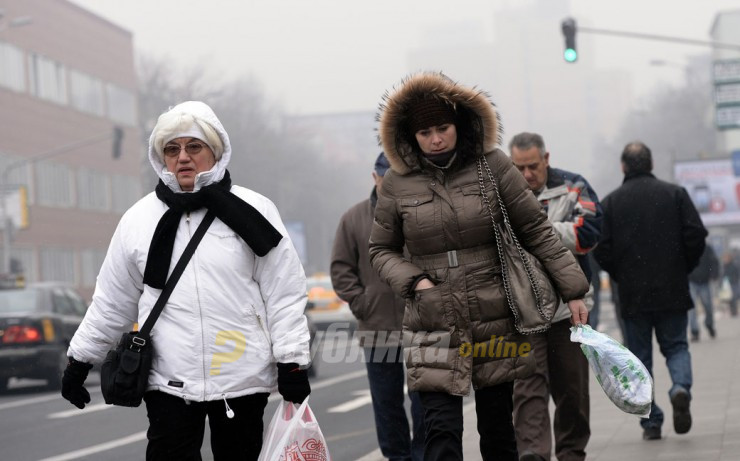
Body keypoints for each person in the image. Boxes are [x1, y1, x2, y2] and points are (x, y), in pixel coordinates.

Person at [61, 101, 312, 460]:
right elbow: (112, 301)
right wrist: (79, 361)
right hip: (167, 380)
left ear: (216, 151)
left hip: (240, 376)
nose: (183, 157)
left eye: (194, 147)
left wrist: (291, 361)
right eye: (172, 149)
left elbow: (284, 293)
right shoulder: (139, 220)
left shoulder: (255, 210)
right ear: (160, 157)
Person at [368, 71, 590, 461]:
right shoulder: (397, 184)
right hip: (432, 319)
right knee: (441, 432)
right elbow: (381, 250)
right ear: (410, 136)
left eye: (442, 128)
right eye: (424, 133)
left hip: (494, 312)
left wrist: (573, 291)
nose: (435, 139)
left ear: (459, 124)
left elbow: (535, 229)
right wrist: (415, 281)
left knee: (498, 431)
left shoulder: (493, 165)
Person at [594, 141, 707, 441]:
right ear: (652, 164)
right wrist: (683, 265)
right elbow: (696, 234)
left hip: (633, 295)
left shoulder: (612, 202)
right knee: (676, 347)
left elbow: (600, 249)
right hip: (672, 289)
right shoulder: (675, 194)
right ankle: (680, 387)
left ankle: (652, 423)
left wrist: (620, 274)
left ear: (623, 167)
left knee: (639, 361)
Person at [509, 132, 602, 461]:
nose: (526, 175)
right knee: (527, 389)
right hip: (522, 313)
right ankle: (533, 452)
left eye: (532, 166)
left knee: (572, 391)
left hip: (570, 310)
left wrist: (539, 230)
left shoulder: (574, 186)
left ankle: (571, 452)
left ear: (546, 159)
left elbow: (589, 233)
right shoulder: (503, 193)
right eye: (518, 167)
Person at [330, 152, 425, 461]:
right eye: (387, 179)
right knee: (386, 403)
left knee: (426, 401)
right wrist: (363, 302)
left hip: (422, 324)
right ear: (375, 177)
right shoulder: (354, 218)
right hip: (377, 327)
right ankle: (398, 457)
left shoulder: (421, 213)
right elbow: (341, 269)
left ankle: (425, 455)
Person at [688, 242, 719, 341]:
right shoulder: (686, 247)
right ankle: (695, 331)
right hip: (691, 281)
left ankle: (709, 324)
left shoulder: (707, 248)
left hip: (705, 282)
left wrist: (714, 274)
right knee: (691, 308)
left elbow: (714, 261)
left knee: (708, 306)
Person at [722, 251, 740, 317]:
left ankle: (734, 311)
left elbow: (736, 274)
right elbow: (723, 275)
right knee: (729, 298)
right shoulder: (724, 266)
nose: (725, 260)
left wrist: (732, 279)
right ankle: (732, 311)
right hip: (727, 284)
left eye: (726, 258)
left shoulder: (734, 265)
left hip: (734, 283)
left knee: (734, 298)